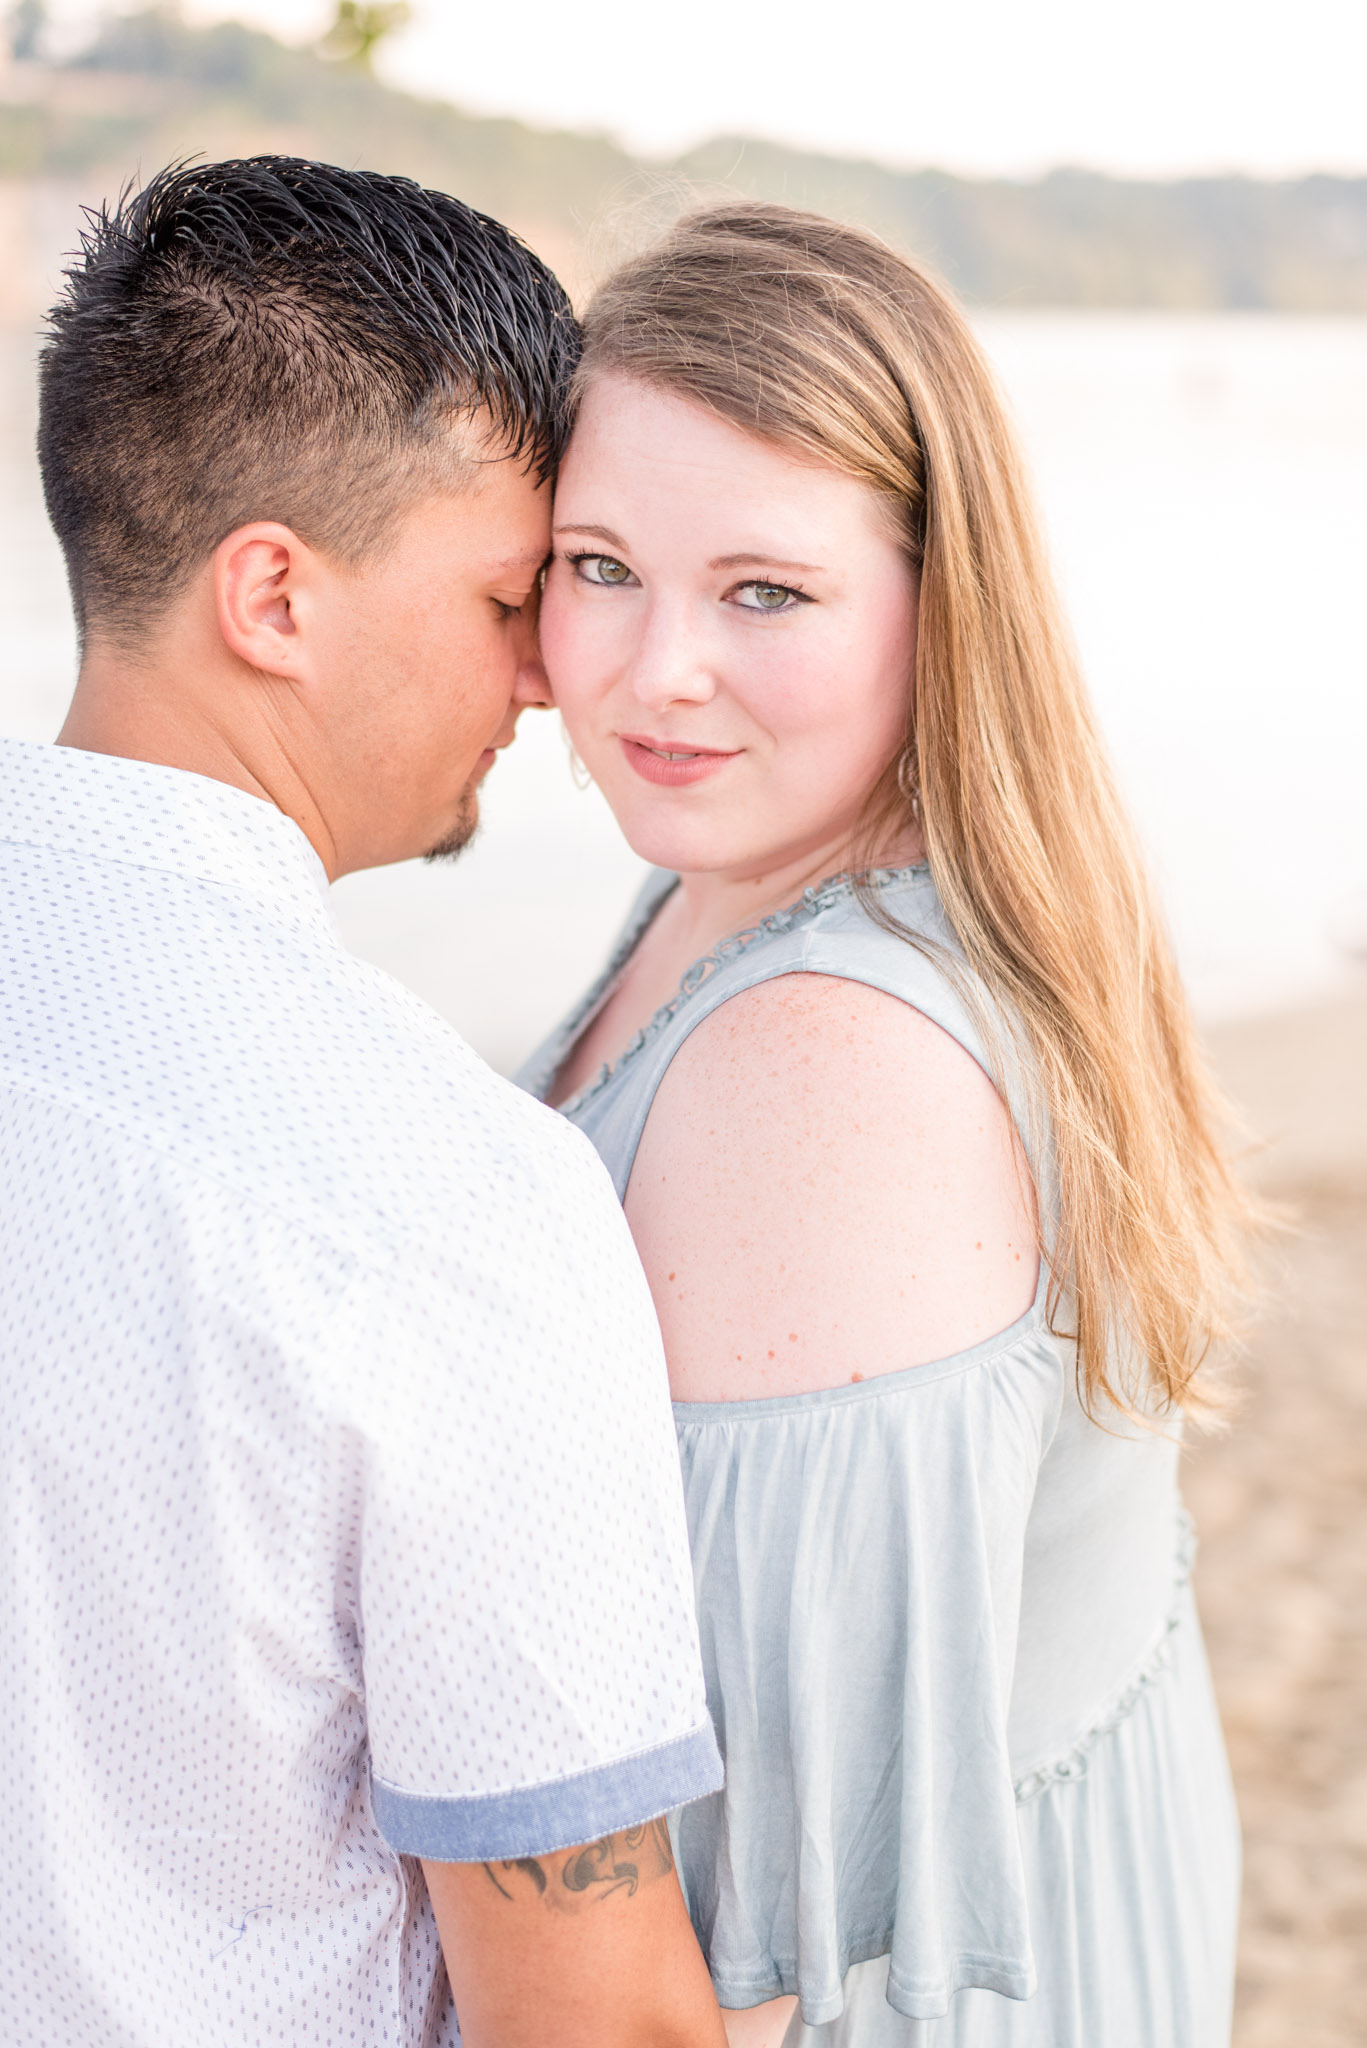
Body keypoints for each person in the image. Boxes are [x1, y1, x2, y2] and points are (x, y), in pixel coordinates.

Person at [0, 158, 731, 2048]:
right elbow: (594, 2022)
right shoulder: (446, 1200)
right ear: (272, 596)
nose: (554, 683)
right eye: (513, 595)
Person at [517, 203, 1257, 2046]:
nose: (652, 668)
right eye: (597, 565)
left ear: (941, 600)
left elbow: (755, 1928)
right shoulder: (762, 855)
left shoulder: (828, 1068)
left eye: (765, 591)